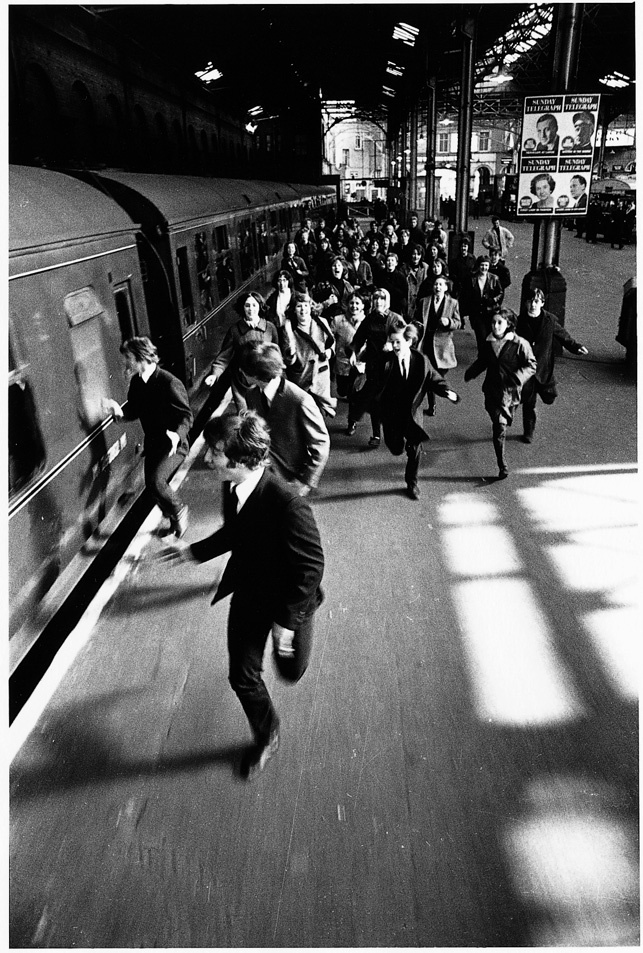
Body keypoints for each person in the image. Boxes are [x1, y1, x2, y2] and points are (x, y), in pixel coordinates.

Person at [162, 411, 324, 779]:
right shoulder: (231, 486)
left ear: (238, 460)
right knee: (242, 676)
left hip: (288, 600)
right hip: (250, 592)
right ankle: (268, 735)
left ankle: (289, 647)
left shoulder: (288, 504)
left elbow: (311, 568)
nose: (206, 459)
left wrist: (286, 622)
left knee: (291, 671)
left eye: (214, 453)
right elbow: (236, 531)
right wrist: (193, 552)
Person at [103, 336, 192, 537]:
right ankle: (173, 519)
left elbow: (186, 416)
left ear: (141, 357)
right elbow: (133, 410)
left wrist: (177, 436)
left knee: (157, 481)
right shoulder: (137, 383)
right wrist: (118, 412)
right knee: (152, 486)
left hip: (174, 445)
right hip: (153, 444)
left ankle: (179, 510)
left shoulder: (169, 382)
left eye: (128, 357)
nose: (126, 362)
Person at [377, 319, 460, 499]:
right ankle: (397, 444)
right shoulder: (386, 361)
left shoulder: (421, 361)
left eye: (398, 342)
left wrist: (447, 391)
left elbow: (433, 378)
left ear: (409, 341)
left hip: (412, 413)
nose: (394, 346)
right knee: (396, 447)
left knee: (415, 447)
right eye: (392, 342)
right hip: (392, 413)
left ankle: (412, 482)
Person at [241, 343, 330, 493]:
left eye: (243, 369)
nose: (240, 371)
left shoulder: (300, 400)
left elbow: (321, 443)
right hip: (262, 478)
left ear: (256, 375)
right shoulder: (252, 395)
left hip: (291, 480)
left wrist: (305, 482)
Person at [464, 308, 537, 479]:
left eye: (499, 323)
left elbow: (531, 365)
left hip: (510, 392)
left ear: (509, 324)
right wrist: (471, 372)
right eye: (493, 322)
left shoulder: (520, 344)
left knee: (501, 424)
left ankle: (501, 459)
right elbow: (483, 361)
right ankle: (502, 465)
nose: (495, 326)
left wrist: (518, 377)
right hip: (491, 390)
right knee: (499, 426)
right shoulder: (488, 342)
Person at [517, 288, 588, 443]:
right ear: (525, 303)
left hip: (543, 367)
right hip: (526, 369)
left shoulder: (549, 321)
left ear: (542, 303)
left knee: (550, 397)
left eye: (536, 301)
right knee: (529, 402)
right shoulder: (519, 321)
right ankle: (528, 431)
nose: (533, 305)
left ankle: (544, 395)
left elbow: (563, 335)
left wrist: (576, 347)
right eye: (530, 301)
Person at [205, 291, 280, 411]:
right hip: (242, 382)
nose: (251, 309)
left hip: (265, 379)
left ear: (260, 306)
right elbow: (224, 357)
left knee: (267, 411)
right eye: (247, 305)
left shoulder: (270, 328)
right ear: (242, 308)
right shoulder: (235, 331)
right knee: (245, 414)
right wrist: (214, 374)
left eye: (254, 305)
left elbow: (276, 352)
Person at [346, 288, 401, 444]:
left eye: (382, 299)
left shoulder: (395, 318)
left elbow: (409, 337)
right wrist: (352, 353)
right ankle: (376, 435)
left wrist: (393, 345)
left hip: (390, 366)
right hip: (373, 365)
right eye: (376, 299)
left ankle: (356, 416)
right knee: (376, 399)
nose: (379, 302)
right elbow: (358, 339)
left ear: (387, 301)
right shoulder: (369, 319)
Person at [280, 291, 337, 418]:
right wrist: (291, 354)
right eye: (299, 306)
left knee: (320, 410)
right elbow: (287, 358)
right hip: (301, 373)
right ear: (294, 309)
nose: (303, 309)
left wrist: (330, 351)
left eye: (306, 305)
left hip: (321, 371)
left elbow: (332, 341)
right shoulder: (289, 328)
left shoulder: (322, 322)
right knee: (303, 408)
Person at [415, 276, 462, 417]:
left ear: (446, 287)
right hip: (426, 343)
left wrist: (448, 322)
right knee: (428, 374)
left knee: (437, 375)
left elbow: (458, 323)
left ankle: (442, 390)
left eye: (441, 285)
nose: (438, 287)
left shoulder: (452, 303)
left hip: (443, 346)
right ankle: (432, 405)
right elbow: (417, 320)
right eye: (436, 284)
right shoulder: (424, 302)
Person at [460, 255, 504, 353]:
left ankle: (485, 357)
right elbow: (466, 295)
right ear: (478, 266)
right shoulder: (472, 279)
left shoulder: (494, 278)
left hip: (490, 312)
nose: (484, 268)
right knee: (481, 336)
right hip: (476, 313)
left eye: (486, 265)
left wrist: (493, 300)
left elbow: (500, 293)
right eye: (482, 265)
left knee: (489, 336)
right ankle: (482, 357)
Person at [329, 292, 367, 402]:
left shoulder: (367, 321)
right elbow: (330, 338)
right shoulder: (338, 320)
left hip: (359, 361)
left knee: (354, 389)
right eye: (351, 303)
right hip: (342, 361)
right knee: (342, 390)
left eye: (357, 303)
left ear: (362, 306)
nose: (354, 306)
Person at [401, 244, 431, 319]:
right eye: (414, 254)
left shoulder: (425, 267)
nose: (416, 257)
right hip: (408, 301)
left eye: (418, 254)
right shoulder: (404, 268)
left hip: (421, 300)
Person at [379, 251, 409, 317]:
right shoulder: (380, 275)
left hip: (396, 306)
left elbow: (404, 293)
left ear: (396, 263)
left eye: (392, 260)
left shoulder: (401, 276)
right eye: (388, 260)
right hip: (383, 305)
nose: (390, 263)